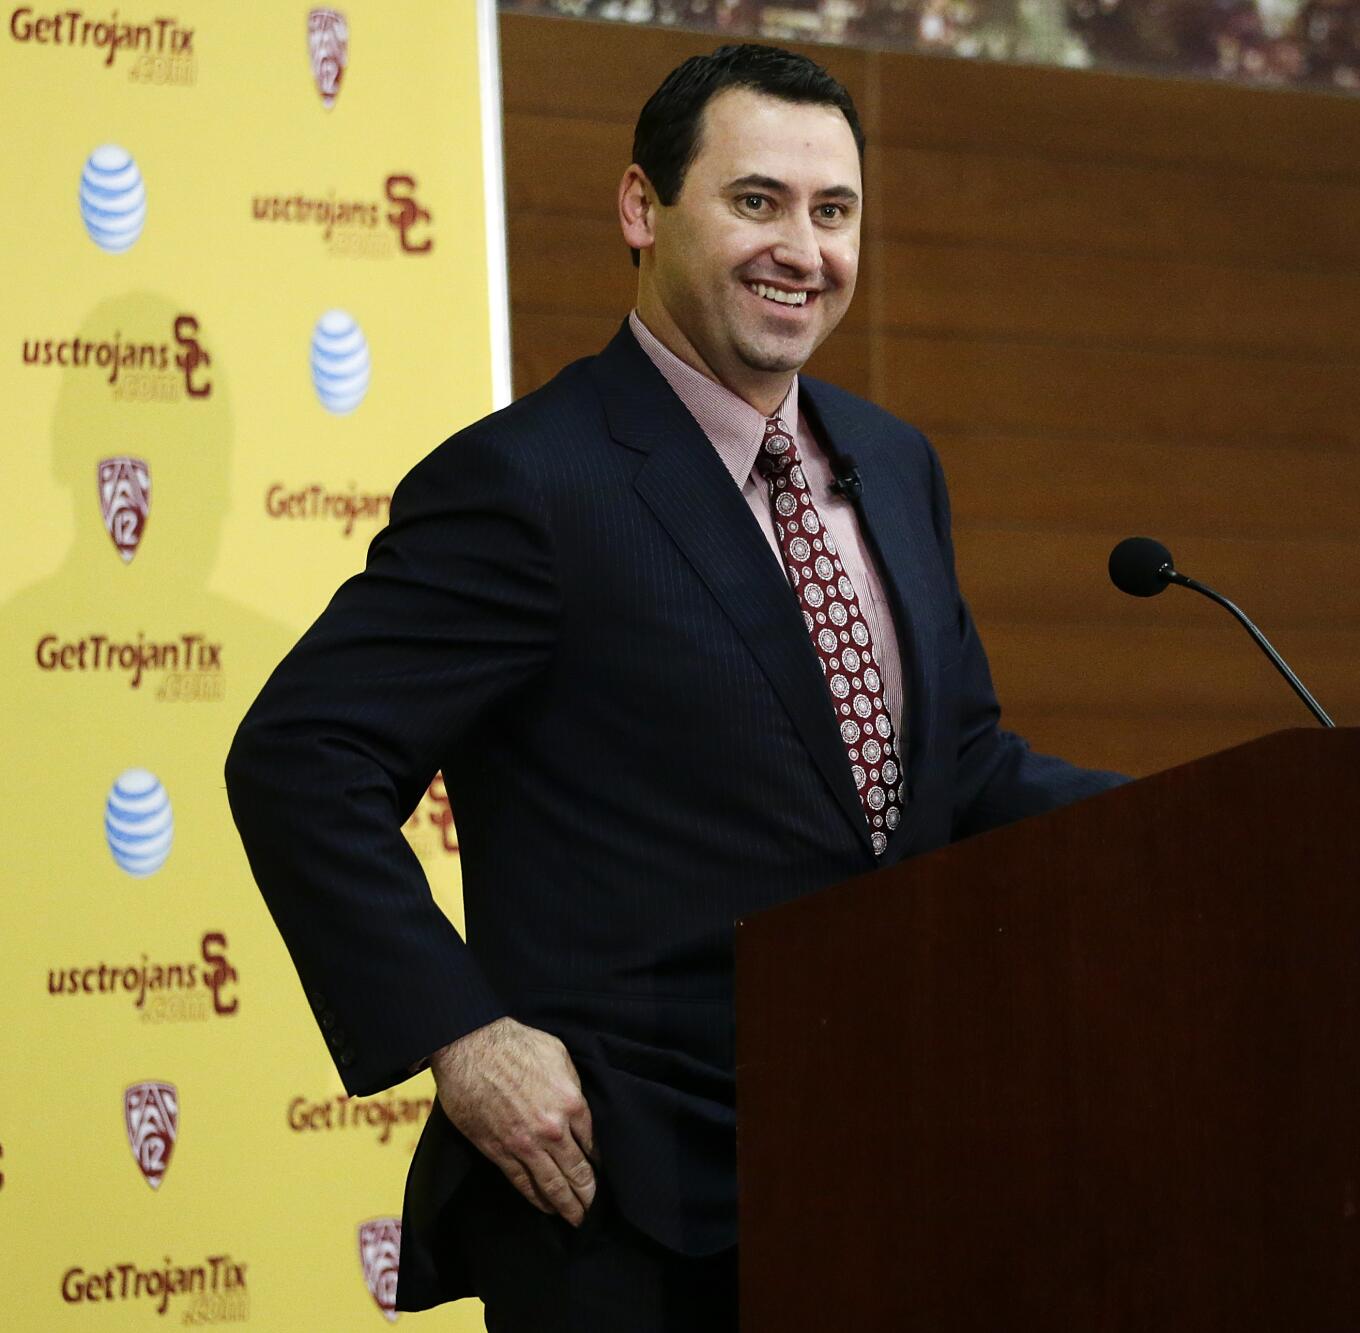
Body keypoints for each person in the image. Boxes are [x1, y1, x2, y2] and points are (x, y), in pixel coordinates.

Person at [225, 43, 1123, 1332]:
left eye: (834, 211)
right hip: (626, 1195)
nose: (801, 249)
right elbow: (301, 757)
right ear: (643, 209)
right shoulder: (533, 481)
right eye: (757, 201)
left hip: (881, 1174)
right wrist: (462, 1036)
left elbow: (957, 771)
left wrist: (1242, 814)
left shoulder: (890, 460)